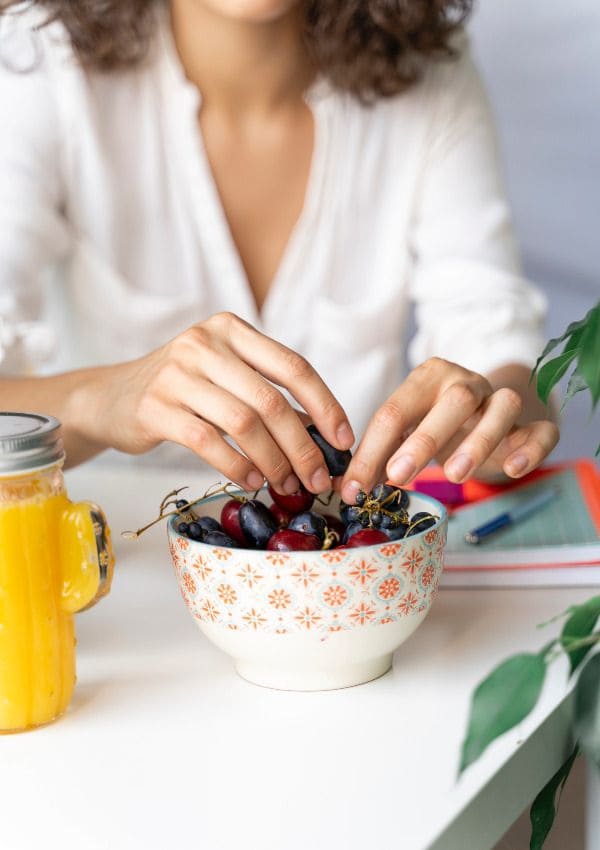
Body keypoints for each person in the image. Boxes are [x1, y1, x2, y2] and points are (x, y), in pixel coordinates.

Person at [0, 0, 558, 505]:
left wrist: (487, 422)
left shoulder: (432, 70)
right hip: (108, 570)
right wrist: (103, 402)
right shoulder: (36, 58)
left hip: (340, 577)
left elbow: (495, 339)